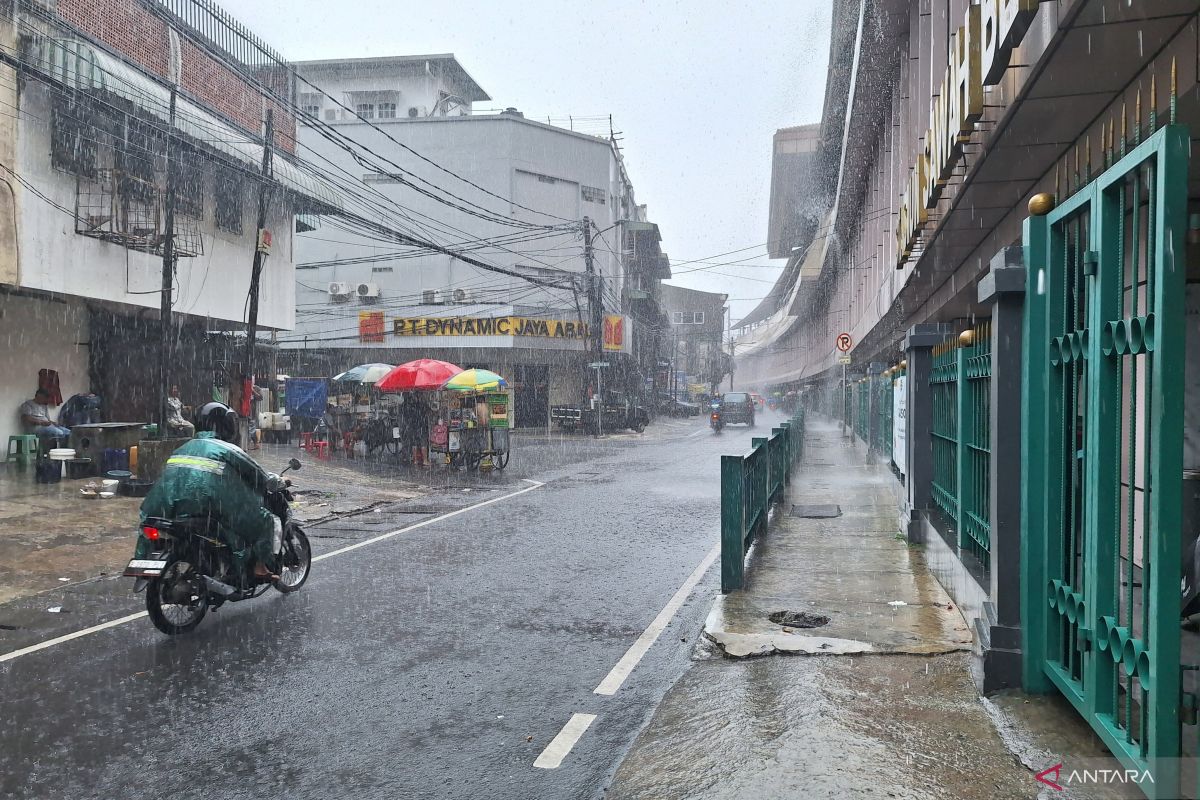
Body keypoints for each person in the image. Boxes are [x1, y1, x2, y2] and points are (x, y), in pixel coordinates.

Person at [138, 433, 280, 579]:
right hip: (207, 503)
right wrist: (275, 481)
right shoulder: (226, 448)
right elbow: (257, 474)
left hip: (169, 503)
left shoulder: (183, 448)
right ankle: (259, 567)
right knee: (265, 520)